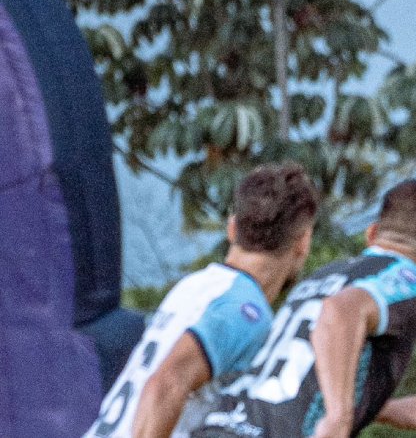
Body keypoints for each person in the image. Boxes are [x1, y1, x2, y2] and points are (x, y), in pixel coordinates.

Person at [192, 178, 416, 438]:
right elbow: (341, 313)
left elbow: (296, 372)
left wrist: (385, 409)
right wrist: (339, 419)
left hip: (222, 423)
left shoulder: (323, 276)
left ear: (372, 233)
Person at [83, 162, 319, 438]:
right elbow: (167, 384)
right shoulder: (244, 310)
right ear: (304, 241)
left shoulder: (197, 286)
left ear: (232, 228)